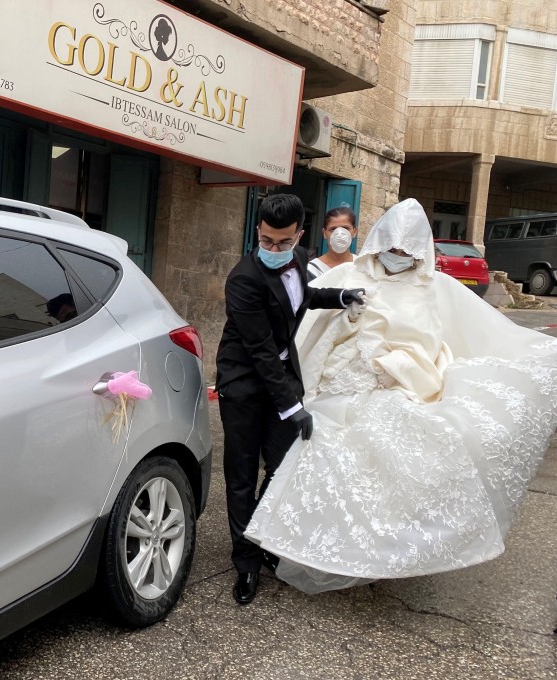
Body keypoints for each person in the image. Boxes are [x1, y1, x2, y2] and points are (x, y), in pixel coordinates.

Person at [245, 199, 557, 594]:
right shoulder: (347, 274)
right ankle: (302, 545)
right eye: (392, 249)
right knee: (323, 455)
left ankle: (388, 549)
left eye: (406, 252)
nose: (398, 257)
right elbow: (307, 327)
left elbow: (461, 332)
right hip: (344, 386)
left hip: (405, 385)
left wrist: (397, 367)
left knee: (417, 451)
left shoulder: (435, 286)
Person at [215, 193, 367, 605]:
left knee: (281, 466)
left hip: (281, 376)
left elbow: (301, 299)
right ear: (258, 232)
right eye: (266, 241)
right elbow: (261, 352)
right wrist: (293, 407)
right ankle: (245, 562)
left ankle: (261, 535)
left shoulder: (298, 259)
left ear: (299, 235)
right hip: (245, 382)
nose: (274, 250)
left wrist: (340, 296)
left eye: (283, 242)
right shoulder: (243, 279)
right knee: (242, 475)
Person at [306, 207, 357, 281]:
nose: (339, 234)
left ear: (355, 231)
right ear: (324, 233)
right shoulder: (312, 270)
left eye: (345, 228)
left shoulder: (363, 266)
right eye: (333, 229)